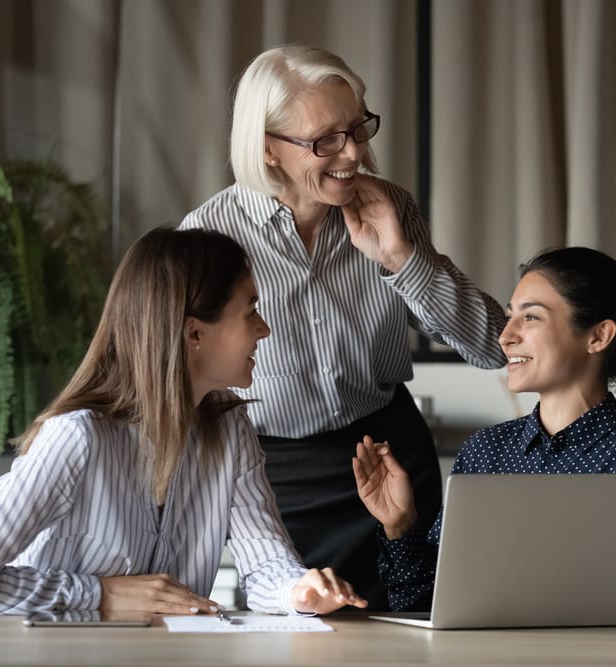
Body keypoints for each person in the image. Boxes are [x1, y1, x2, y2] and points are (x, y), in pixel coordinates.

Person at [179, 43, 507, 609]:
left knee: (423, 634)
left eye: (358, 128)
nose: (353, 153)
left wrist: (404, 260)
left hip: (390, 461)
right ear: (268, 150)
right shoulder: (209, 236)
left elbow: (493, 348)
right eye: (325, 139)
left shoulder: (389, 208)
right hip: (275, 480)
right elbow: (170, 372)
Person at [0, 226, 367, 616]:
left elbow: (266, 565)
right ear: (194, 332)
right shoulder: (76, 438)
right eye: (250, 310)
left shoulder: (231, 430)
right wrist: (99, 595)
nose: (264, 329)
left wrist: (298, 591)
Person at [353, 246, 616, 620]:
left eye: (531, 317)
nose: (505, 336)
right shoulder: (486, 451)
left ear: (598, 336)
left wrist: (585, 532)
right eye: (508, 317)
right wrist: (401, 526)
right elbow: (424, 604)